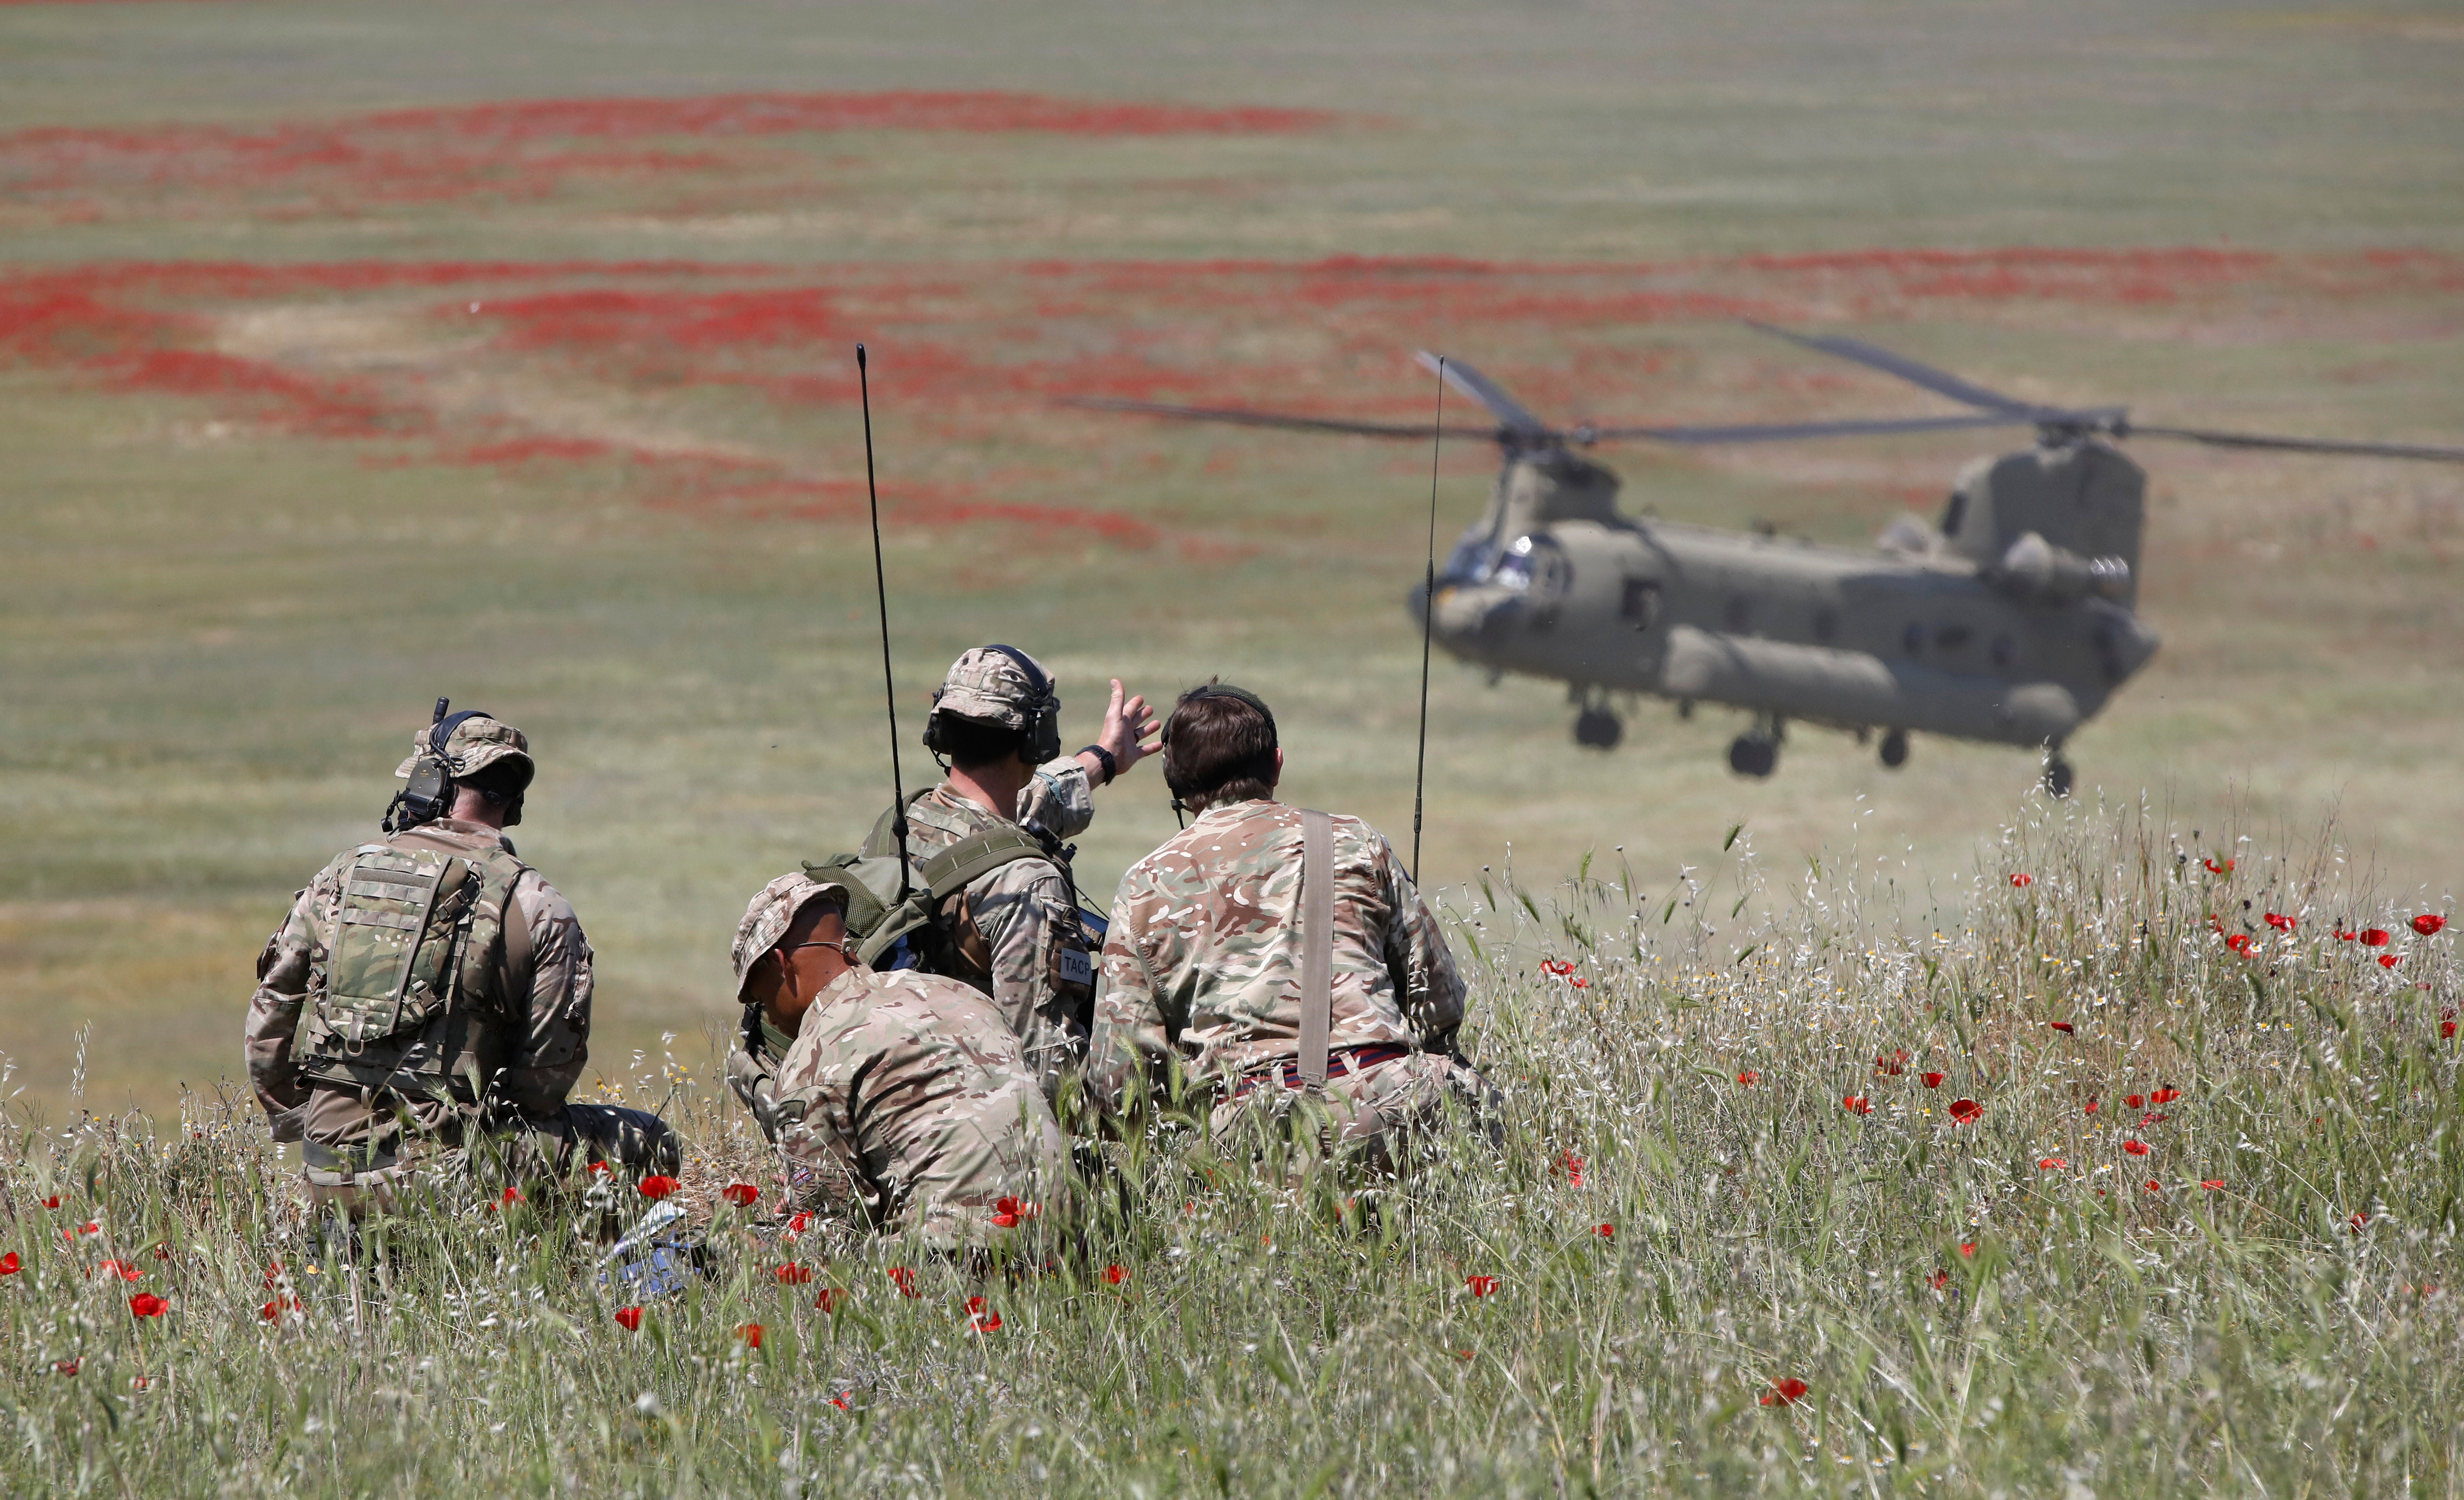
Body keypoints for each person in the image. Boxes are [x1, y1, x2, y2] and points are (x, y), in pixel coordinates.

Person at [243, 708, 678, 1215]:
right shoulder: (539, 904)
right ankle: (563, 1276)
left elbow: (268, 1030)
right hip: (447, 1184)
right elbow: (545, 1083)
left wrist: (315, 1128)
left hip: (327, 1171)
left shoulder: (335, 879)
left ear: (427, 783)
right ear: (513, 803)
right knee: (649, 1140)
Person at [1090, 684, 1494, 1172]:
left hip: (1252, 1133)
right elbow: (1439, 1003)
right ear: (1277, 763)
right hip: (1397, 1103)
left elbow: (1122, 1080)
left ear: (1176, 787)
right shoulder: (1354, 839)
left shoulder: (1144, 883)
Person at [867, 646, 1157, 1097]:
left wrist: (1104, 756)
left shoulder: (903, 824)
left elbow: (1023, 808)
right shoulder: (1026, 885)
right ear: (1037, 739)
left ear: (940, 729)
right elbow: (1048, 1072)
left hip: (895, 1095)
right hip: (980, 1129)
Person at [727, 871, 1070, 1251]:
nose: (770, 1018)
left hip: (956, 1263)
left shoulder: (811, 1061)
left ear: (781, 964)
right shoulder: (956, 992)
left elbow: (828, 1240)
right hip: (1068, 1240)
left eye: (763, 999)